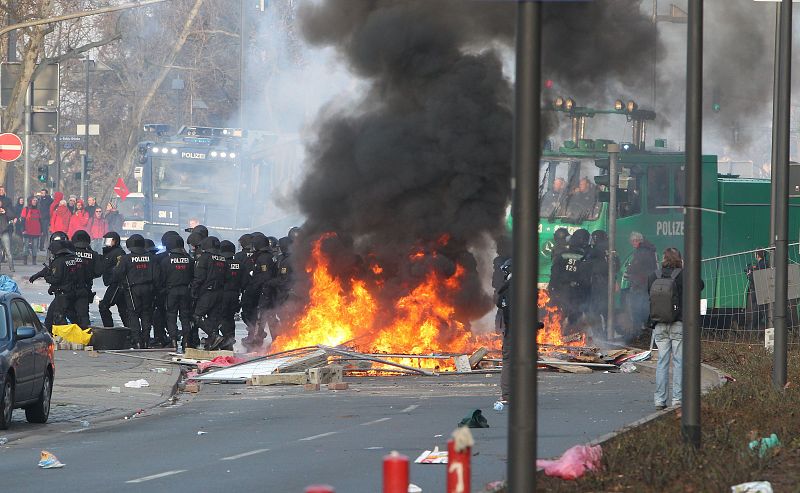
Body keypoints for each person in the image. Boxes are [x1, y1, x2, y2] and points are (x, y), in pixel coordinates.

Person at [647, 247, 704, 409]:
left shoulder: (653, 276)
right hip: (678, 323)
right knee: (679, 362)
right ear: (679, 259)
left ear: (663, 259)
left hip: (659, 324)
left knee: (662, 362)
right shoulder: (684, 275)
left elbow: (648, 296)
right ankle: (677, 399)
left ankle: (659, 400)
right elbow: (700, 285)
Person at [29, 239, 89, 332]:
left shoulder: (59, 261)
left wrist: (47, 277)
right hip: (79, 293)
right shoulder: (77, 259)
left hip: (64, 294)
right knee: (79, 319)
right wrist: (39, 275)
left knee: (58, 318)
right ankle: (83, 335)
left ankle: (62, 338)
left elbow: (56, 279)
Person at [114, 234, 158, 348]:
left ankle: (137, 340)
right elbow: (158, 275)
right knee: (146, 314)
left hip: (133, 289)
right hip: (149, 289)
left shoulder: (126, 258)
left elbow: (118, 273)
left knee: (133, 314)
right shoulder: (151, 257)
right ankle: (146, 340)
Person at [158, 233, 193, 352]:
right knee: (185, 317)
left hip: (171, 291)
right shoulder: (189, 260)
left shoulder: (166, 261)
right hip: (186, 291)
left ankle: (173, 342)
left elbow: (161, 278)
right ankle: (187, 342)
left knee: (171, 316)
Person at [551, 229, 592, 330]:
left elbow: (555, 272)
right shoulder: (585, 257)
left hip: (562, 290)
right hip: (578, 291)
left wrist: (552, 286)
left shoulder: (561, 254)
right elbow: (586, 277)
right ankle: (570, 335)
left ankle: (559, 335)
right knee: (575, 315)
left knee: (560, 314)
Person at [241, 234, 276, 349]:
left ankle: (256, 340)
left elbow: (265, 276)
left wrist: (254, 286)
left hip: (264, 291)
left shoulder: (264, 258)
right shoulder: (263, 256)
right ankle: (263, 338)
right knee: (267, 316)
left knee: (261, 316)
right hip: (263, 290)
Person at [190, 236, 226, 349]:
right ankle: (214, 343)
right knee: (213, 318)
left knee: (197, 316)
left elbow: (199, 277)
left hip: (207, 292)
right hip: (220, 292)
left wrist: (194, 291)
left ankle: (214, 336)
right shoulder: (222, 258)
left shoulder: (204, 258)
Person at [584, 230, 620, 333]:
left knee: (595, 310)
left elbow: (586, 261)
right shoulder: (612, 249)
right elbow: (616, 265)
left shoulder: (595, 250)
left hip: (598, 283)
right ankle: (609, 332)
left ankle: (599, 334)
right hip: (609, 281)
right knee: (607, 309)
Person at [624, 231, 658, 335]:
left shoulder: (641, 251)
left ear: (639, 240)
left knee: (636, 307)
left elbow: (636, 266)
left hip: (639, 283)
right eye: (632, 241)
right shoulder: (650, 249)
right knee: (646, 305)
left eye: (634, 241)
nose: (633, 243)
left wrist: (628, 270)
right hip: (648, 282)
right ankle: (646, 328)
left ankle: (637, 331)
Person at [70, 230, 102, 327]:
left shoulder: (69, 253)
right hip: (85, 288)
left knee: (62, 312)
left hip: (68, 288)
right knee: (83, 316)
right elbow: (98, 272)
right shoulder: (94, 255)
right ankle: (85, 337)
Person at [98, 232, 128, 327]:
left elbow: (120, 269)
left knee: (104, 306)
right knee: (123, 310)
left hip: (117, 285)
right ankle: (132, 332)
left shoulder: (118, 253)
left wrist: (113, 278)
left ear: (115, 241)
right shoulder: (109, 253)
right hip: (114, 284)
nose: (106, 243)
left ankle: (109, 329)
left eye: (108, 240)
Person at [218, 240, 242, 350]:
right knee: (231, 318)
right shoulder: (239, 264)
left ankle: (225, 339)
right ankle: (231, 338)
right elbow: (245, 280)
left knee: (222, 317)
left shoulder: (220, 264)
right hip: (235, 295)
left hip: (223, 294)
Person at [496, 258, 512, 403]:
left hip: (513, 332)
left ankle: (507, 396)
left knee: (508, 361)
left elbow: (500, 304)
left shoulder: (507, 289)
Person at [745, 250, 770, 330]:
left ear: (757, 255)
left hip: (757, 291)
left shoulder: (761, 264)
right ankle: (753, 330)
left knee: (759, 312)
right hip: (762, 290)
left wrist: (749, 275)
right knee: (761, 312)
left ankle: (751, 331)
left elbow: (755, 278)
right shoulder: (765, 263)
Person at [20, 197, 42, 265]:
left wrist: (42, 230)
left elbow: (40, 221)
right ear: (30, 201)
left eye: (36, 200)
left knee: (35, 246)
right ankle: (25, 260)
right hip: (27, 230)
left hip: (36, 230)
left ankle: (34, 260)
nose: (35, 201)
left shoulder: (38, 210)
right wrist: (23, 229)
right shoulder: (25, 209)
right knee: (26, 245)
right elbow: (23, 220)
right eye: (34, 200)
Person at [0, 187, 17, 272]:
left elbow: (12, 214)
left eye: (2, 190)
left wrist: (5, 211)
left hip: (4, 230)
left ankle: (12, 267)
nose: (1, 191)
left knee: (8, 250)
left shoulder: (7, 202)